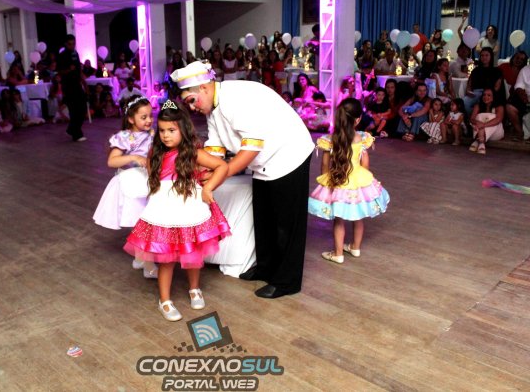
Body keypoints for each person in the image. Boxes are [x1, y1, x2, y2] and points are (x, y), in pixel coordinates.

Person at [171, 61, 314, 299]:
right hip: (264, 162)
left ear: (204, 87)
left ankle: (287, 281)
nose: (193, 108)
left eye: (192, 101)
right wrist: (196, 173)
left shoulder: (234, 99)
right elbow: (215, 150)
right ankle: (266, 268)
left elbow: (251, 147)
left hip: (289, 154)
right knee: (264, 218)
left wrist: (220, 174)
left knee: (286, 223)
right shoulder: (214, 109)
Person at [123, 101, 230, 321]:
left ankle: (194, 289)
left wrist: (207, 187)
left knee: (192, 253)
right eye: (162, 130)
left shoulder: (193, 153)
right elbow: (156, 180)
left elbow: (222, 166)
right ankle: (164, 301)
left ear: (183, 129)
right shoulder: (156, 154)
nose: (165, 135)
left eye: (171, 130)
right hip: (165, 211)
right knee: (166, 258)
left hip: (189, 209)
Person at [308, 98, 390, 264]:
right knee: (358, 216)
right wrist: (362, 178)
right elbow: (365, 164)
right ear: (357, 119)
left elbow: (325, 165)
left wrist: (326, 181)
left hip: (338, 180)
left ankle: (338, 254)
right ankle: (355, 247)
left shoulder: (330, 139)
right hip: (358, 179)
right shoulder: (361, 138)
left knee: (339, 219)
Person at [93, 96, 159, 279]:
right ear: (131, 118)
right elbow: (112, 161)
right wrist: (134, 157)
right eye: (143, 117)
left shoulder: (151, 134)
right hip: (132, 184)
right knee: (143, 224)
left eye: (150, 116)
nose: (149, 120)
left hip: (147, 180)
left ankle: (140, 258)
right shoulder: (124, 137)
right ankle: (149, 266)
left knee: (145, 222)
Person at [57, 34, 87, 142]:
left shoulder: (75, 54)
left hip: (77, 84)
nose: (72, 46)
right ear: (66, 44)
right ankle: (76, 134)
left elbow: (78, 70)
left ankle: (71, 129)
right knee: (74, 110)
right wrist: (69, 69)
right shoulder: (62, 56)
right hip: (68, 86)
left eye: (73, 44)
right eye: (70, 44)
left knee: (82, 108)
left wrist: (83, 81)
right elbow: (60, 71)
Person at [463, 47, 503, 117]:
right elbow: (469, 84)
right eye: (482, 55)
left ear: (491, 56)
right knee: (464, 102)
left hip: (489, 93)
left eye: (487, 55)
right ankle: (474, 117)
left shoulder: (497, 71)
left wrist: (487, 94)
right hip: (475, 93)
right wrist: (468, 91)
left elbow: (497, 87)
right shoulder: (475, 70)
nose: (484, 57)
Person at [469, 88, 504, 155]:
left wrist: (483, 125)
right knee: (478, 118)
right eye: (484, 95)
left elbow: (498, 119)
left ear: (494, 97)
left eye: (489, 95)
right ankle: (481, 142)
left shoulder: (499, 107)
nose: (485, 97)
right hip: (479, 130)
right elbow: (472, 119)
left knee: (493, 117)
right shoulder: (478, 106)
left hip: (495, 134)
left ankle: (477, 140)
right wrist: (478, 123)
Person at [506, 64, 530, 142]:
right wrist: (525, 98)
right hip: (526, 98)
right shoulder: (525, 70)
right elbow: (518, 86)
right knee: (510, 107)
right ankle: (520, 132)